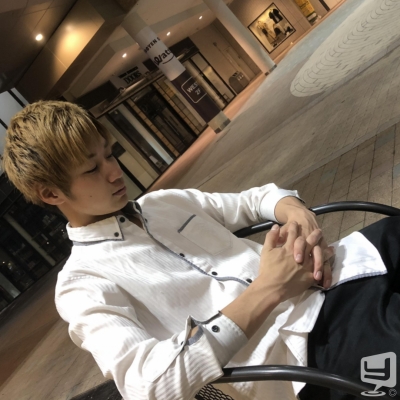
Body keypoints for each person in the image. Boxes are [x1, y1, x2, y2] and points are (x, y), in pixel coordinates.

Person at [2, 101, 398, 400]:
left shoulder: (162, 203)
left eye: (110, 154)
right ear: (51, 193)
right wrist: (269, 289)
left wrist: (296, 215)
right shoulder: (82, 284)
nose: (113, 171)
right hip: (306, 351)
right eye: (91, 169)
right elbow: (147, 386)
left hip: (346, 269)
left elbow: (255, 200)